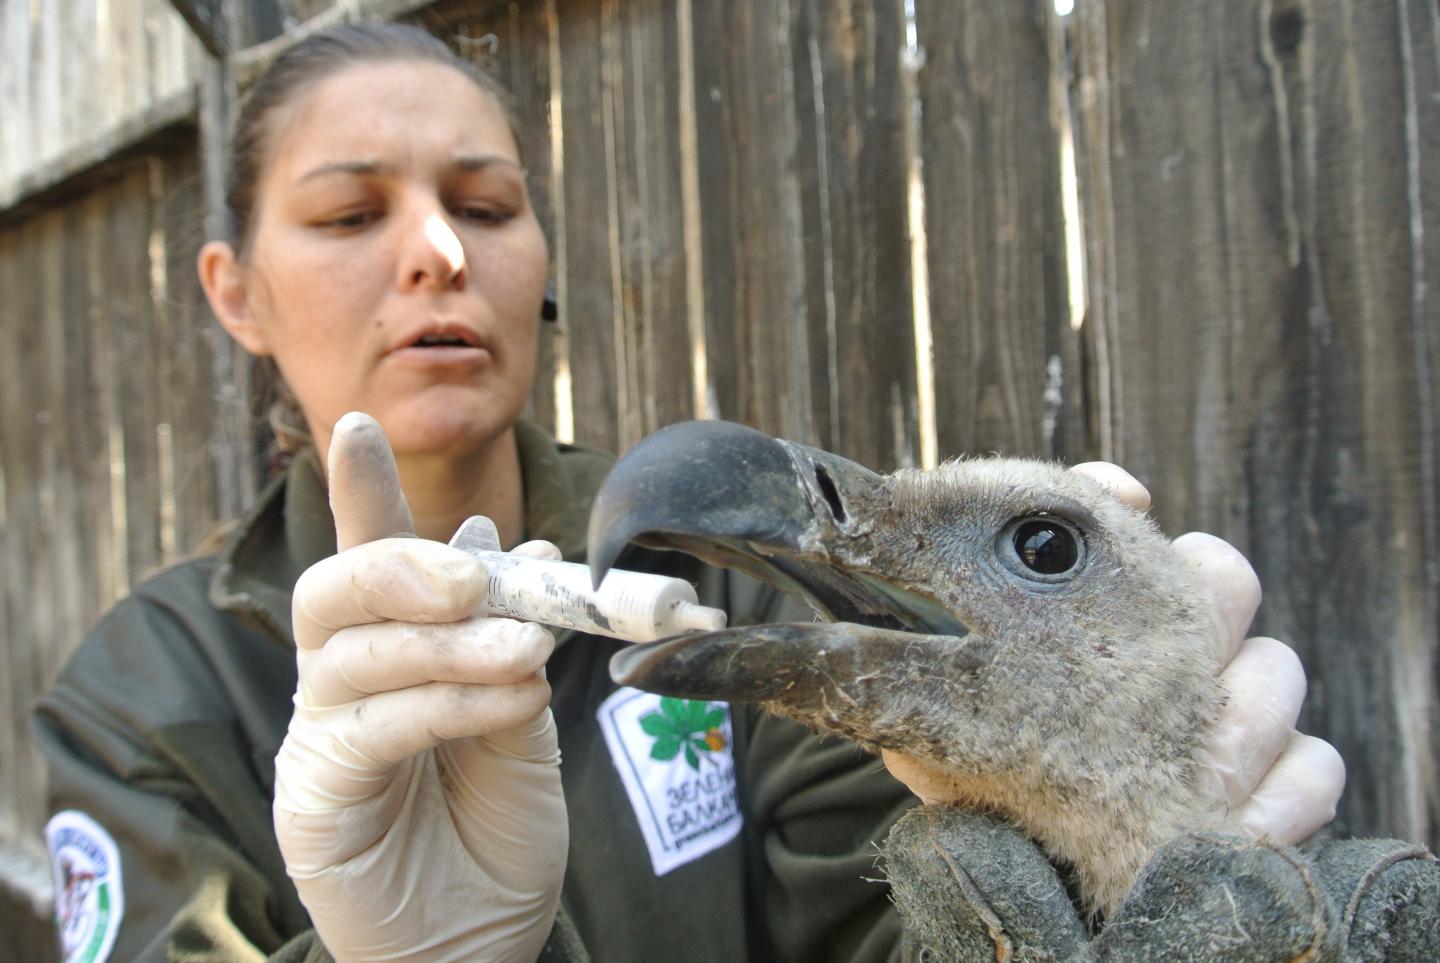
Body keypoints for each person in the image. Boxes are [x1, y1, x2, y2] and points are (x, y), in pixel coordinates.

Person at [34, 22, 1345, 962]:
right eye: (348, 216)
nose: (436, 253)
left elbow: (903, 924)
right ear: (234, 290)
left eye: (486, 206)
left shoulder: (723, 582)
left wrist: (1091, 853)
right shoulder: (150, 691)